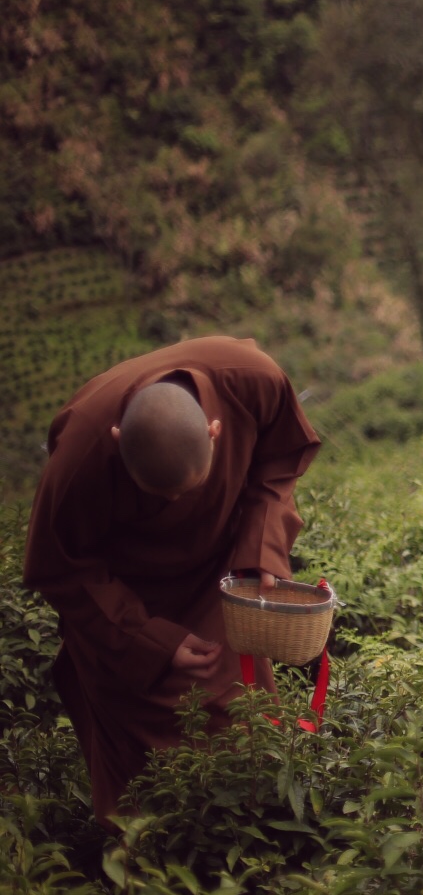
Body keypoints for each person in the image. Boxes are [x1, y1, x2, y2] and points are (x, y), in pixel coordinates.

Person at [23, 337, 322, 820]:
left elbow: (279, 459)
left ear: (215, 431)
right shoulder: (82, 453)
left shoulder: (252, 379)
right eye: (158, 495)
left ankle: (254, 852)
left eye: (190, 489)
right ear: (118, 441)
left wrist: (262, 546)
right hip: (123, 596)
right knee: (142, 759)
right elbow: (60, 569)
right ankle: (146, 874)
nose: (176, 506)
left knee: (241, 720)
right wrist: (151, 641)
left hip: (217, 575)